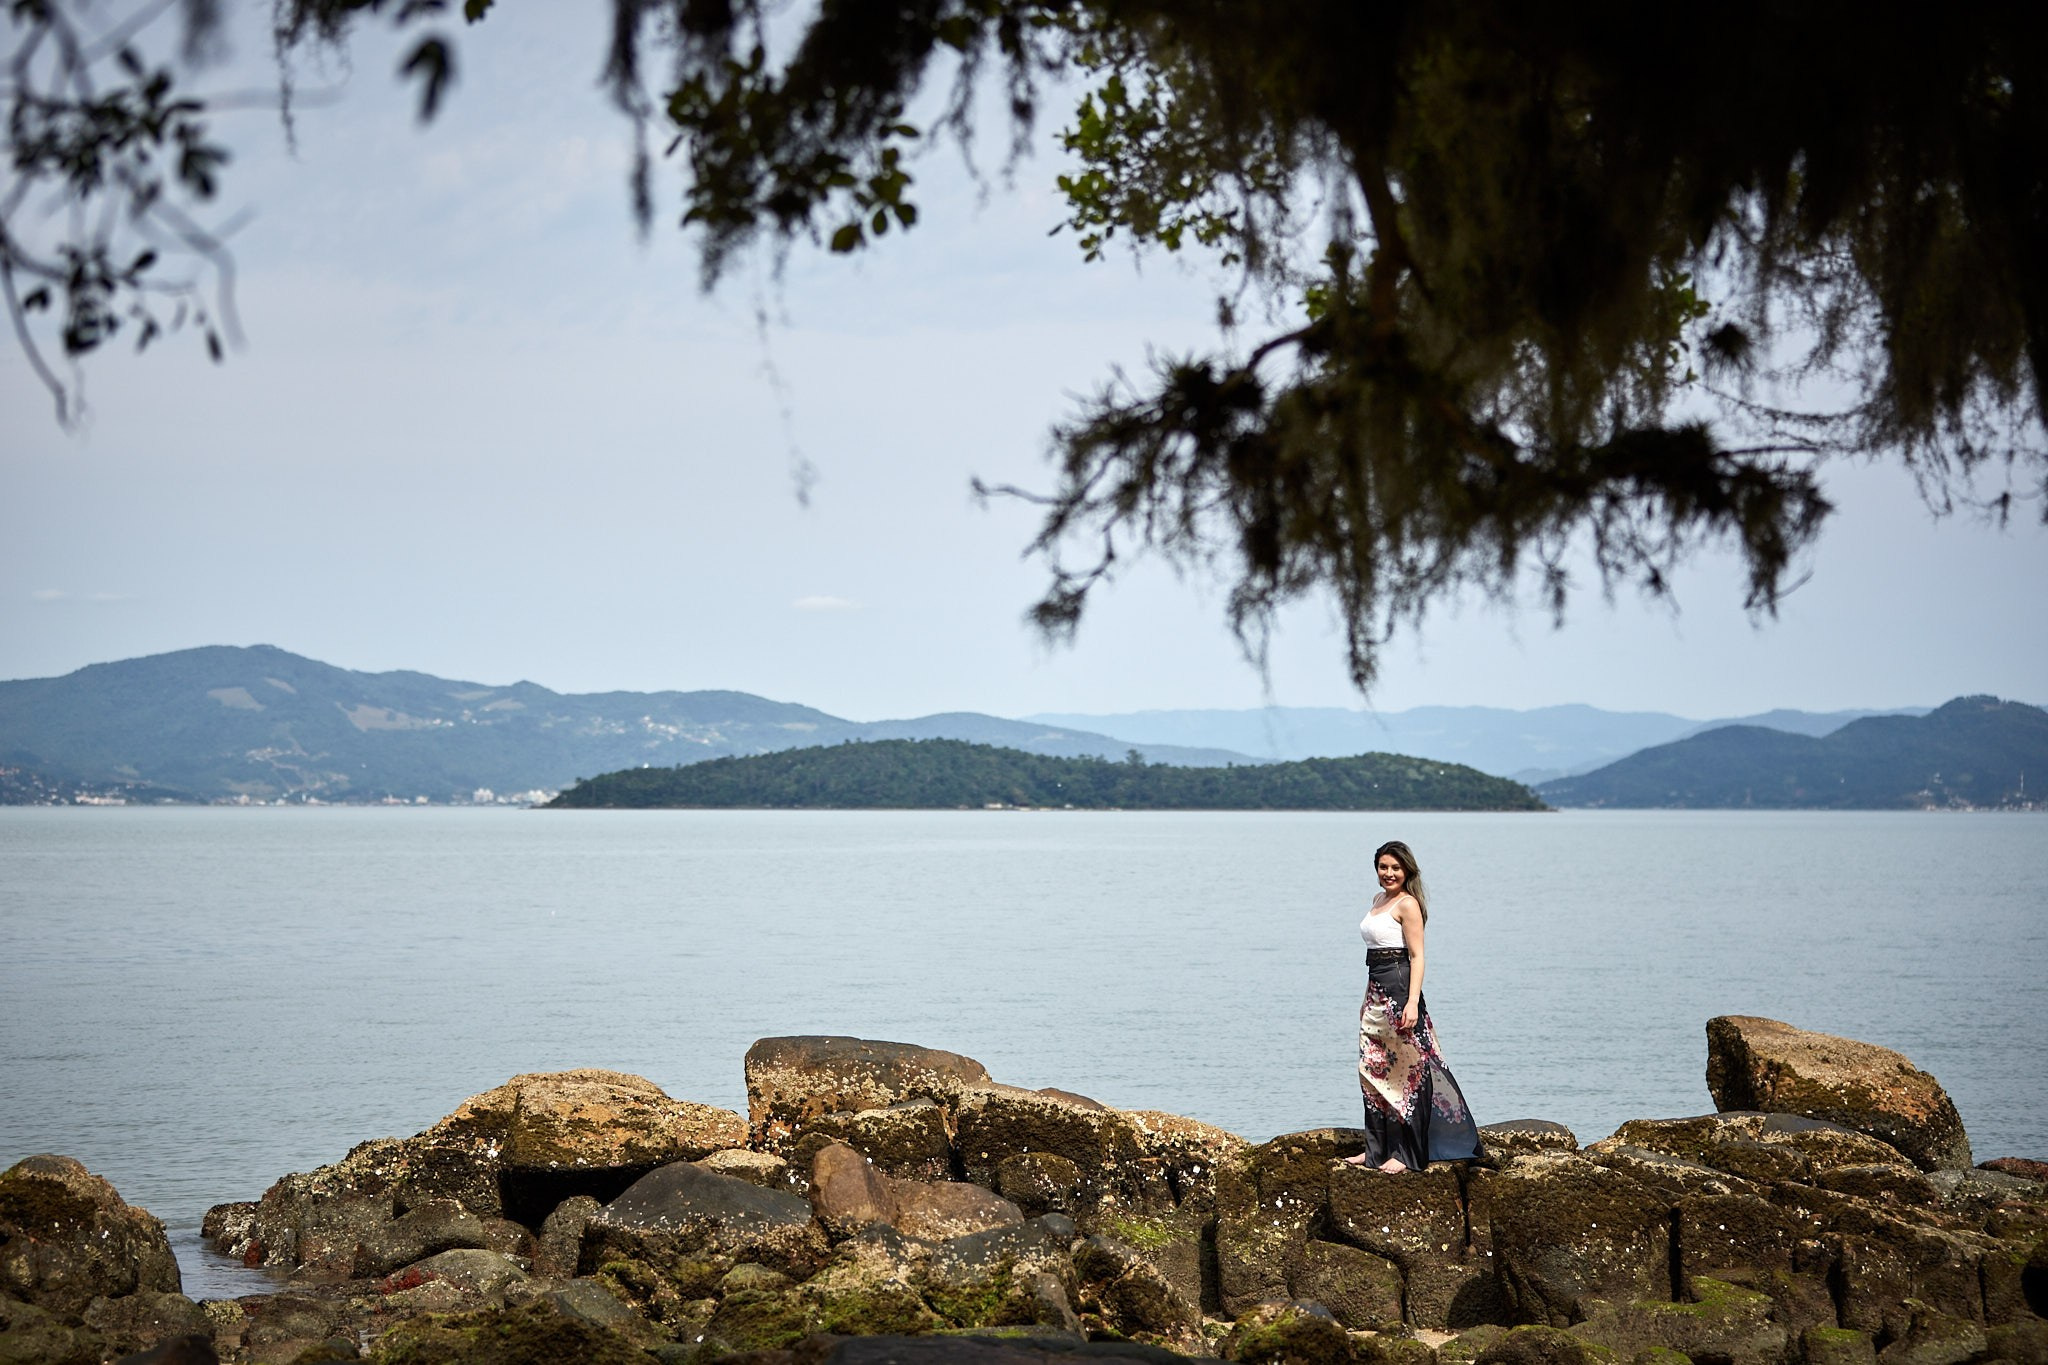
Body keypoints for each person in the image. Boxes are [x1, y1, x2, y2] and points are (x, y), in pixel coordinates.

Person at [1341, 839, 1480, 1172]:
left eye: (1395, 868)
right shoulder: (1378, 900)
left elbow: (1417, 957)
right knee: (1372, 1072)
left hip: (1401, 991)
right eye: (1383, 867)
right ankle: (1375, 1151)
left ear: (1406, 870)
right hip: (1376, 991)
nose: (1389, 873)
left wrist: (1413, 1002)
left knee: (1409, 1074)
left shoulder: (1408, 904)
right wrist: (1366, 999)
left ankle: (1407, 1154)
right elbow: (1373, 959)